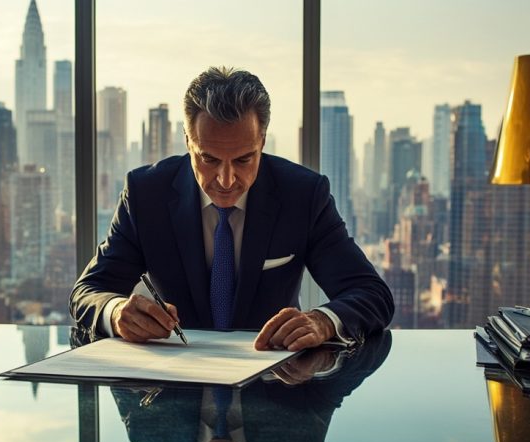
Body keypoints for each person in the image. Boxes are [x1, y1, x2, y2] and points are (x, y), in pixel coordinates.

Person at [70, 66, 394, 350]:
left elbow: (371, 294)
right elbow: (87, 291)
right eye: (208, 159)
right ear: (187, 141)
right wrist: (115, 312)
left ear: (262, 141)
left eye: (243, 159)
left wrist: (323, 321)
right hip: (172, 389)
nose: (226, 180)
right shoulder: (146, 195)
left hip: (274, 391)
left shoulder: (304, 195)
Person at [107, 330, 392, 442]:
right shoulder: (303, 429)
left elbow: (91, 346)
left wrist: (117, 314)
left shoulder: (144, 425)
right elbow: (373, 354)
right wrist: (323, 361)